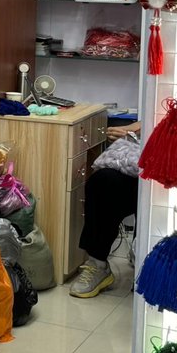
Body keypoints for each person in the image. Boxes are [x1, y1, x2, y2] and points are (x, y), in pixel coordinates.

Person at [71, 122, 141, 299]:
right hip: (144, 158)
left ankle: (145, 260)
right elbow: (155, 114)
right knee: (102, 182)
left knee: (157, 194)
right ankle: (97, 263)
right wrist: (131, 130)